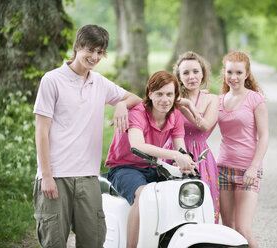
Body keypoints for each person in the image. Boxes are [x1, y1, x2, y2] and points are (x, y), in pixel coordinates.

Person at [33, 24, 141, 248]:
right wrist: (46, 175)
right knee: (54, 242)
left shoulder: (99, 82)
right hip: (57, 175)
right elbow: (41, 131)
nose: (95, 57)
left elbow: (135, 99)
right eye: (90, 50)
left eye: (100, 52)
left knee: (94, 240)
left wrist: (121, 104)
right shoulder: (52, 80)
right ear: (77, 47)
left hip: (88, 177)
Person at [105, 71, 196, 248]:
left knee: (181, 190)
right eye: (159, 94)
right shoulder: (138, 113)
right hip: (124, 167)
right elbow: (138, 145)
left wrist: (186, 160)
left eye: (169, 94)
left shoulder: (175, 115)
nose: (165, 99)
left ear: (175, 95)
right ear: (150, 94)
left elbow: (180, 147)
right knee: (145, 194)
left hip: (153, 166)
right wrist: (176, 156)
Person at [217, 51, 268, 248]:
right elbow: (202, 124)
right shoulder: (219, 100)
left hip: (248, 171)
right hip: (223, 169)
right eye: (230, 72)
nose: (234, 77)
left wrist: (254, 167)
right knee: (228, 229)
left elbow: (264, 137)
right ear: (224, 73)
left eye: (239, 72)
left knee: (243, 229)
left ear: (247, 74)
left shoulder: (255, 99)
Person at [164, 51, 220, 223]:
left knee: (204, 203)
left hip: (201, 155)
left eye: (195, 71)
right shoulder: (172, 97)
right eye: (186, 73)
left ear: (203, 73)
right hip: (173, 152)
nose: (191, 76)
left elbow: (205, 125)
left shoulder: (212, 99)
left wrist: (186, 107)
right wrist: (182, 103)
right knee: (172, 204)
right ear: (179, 77)